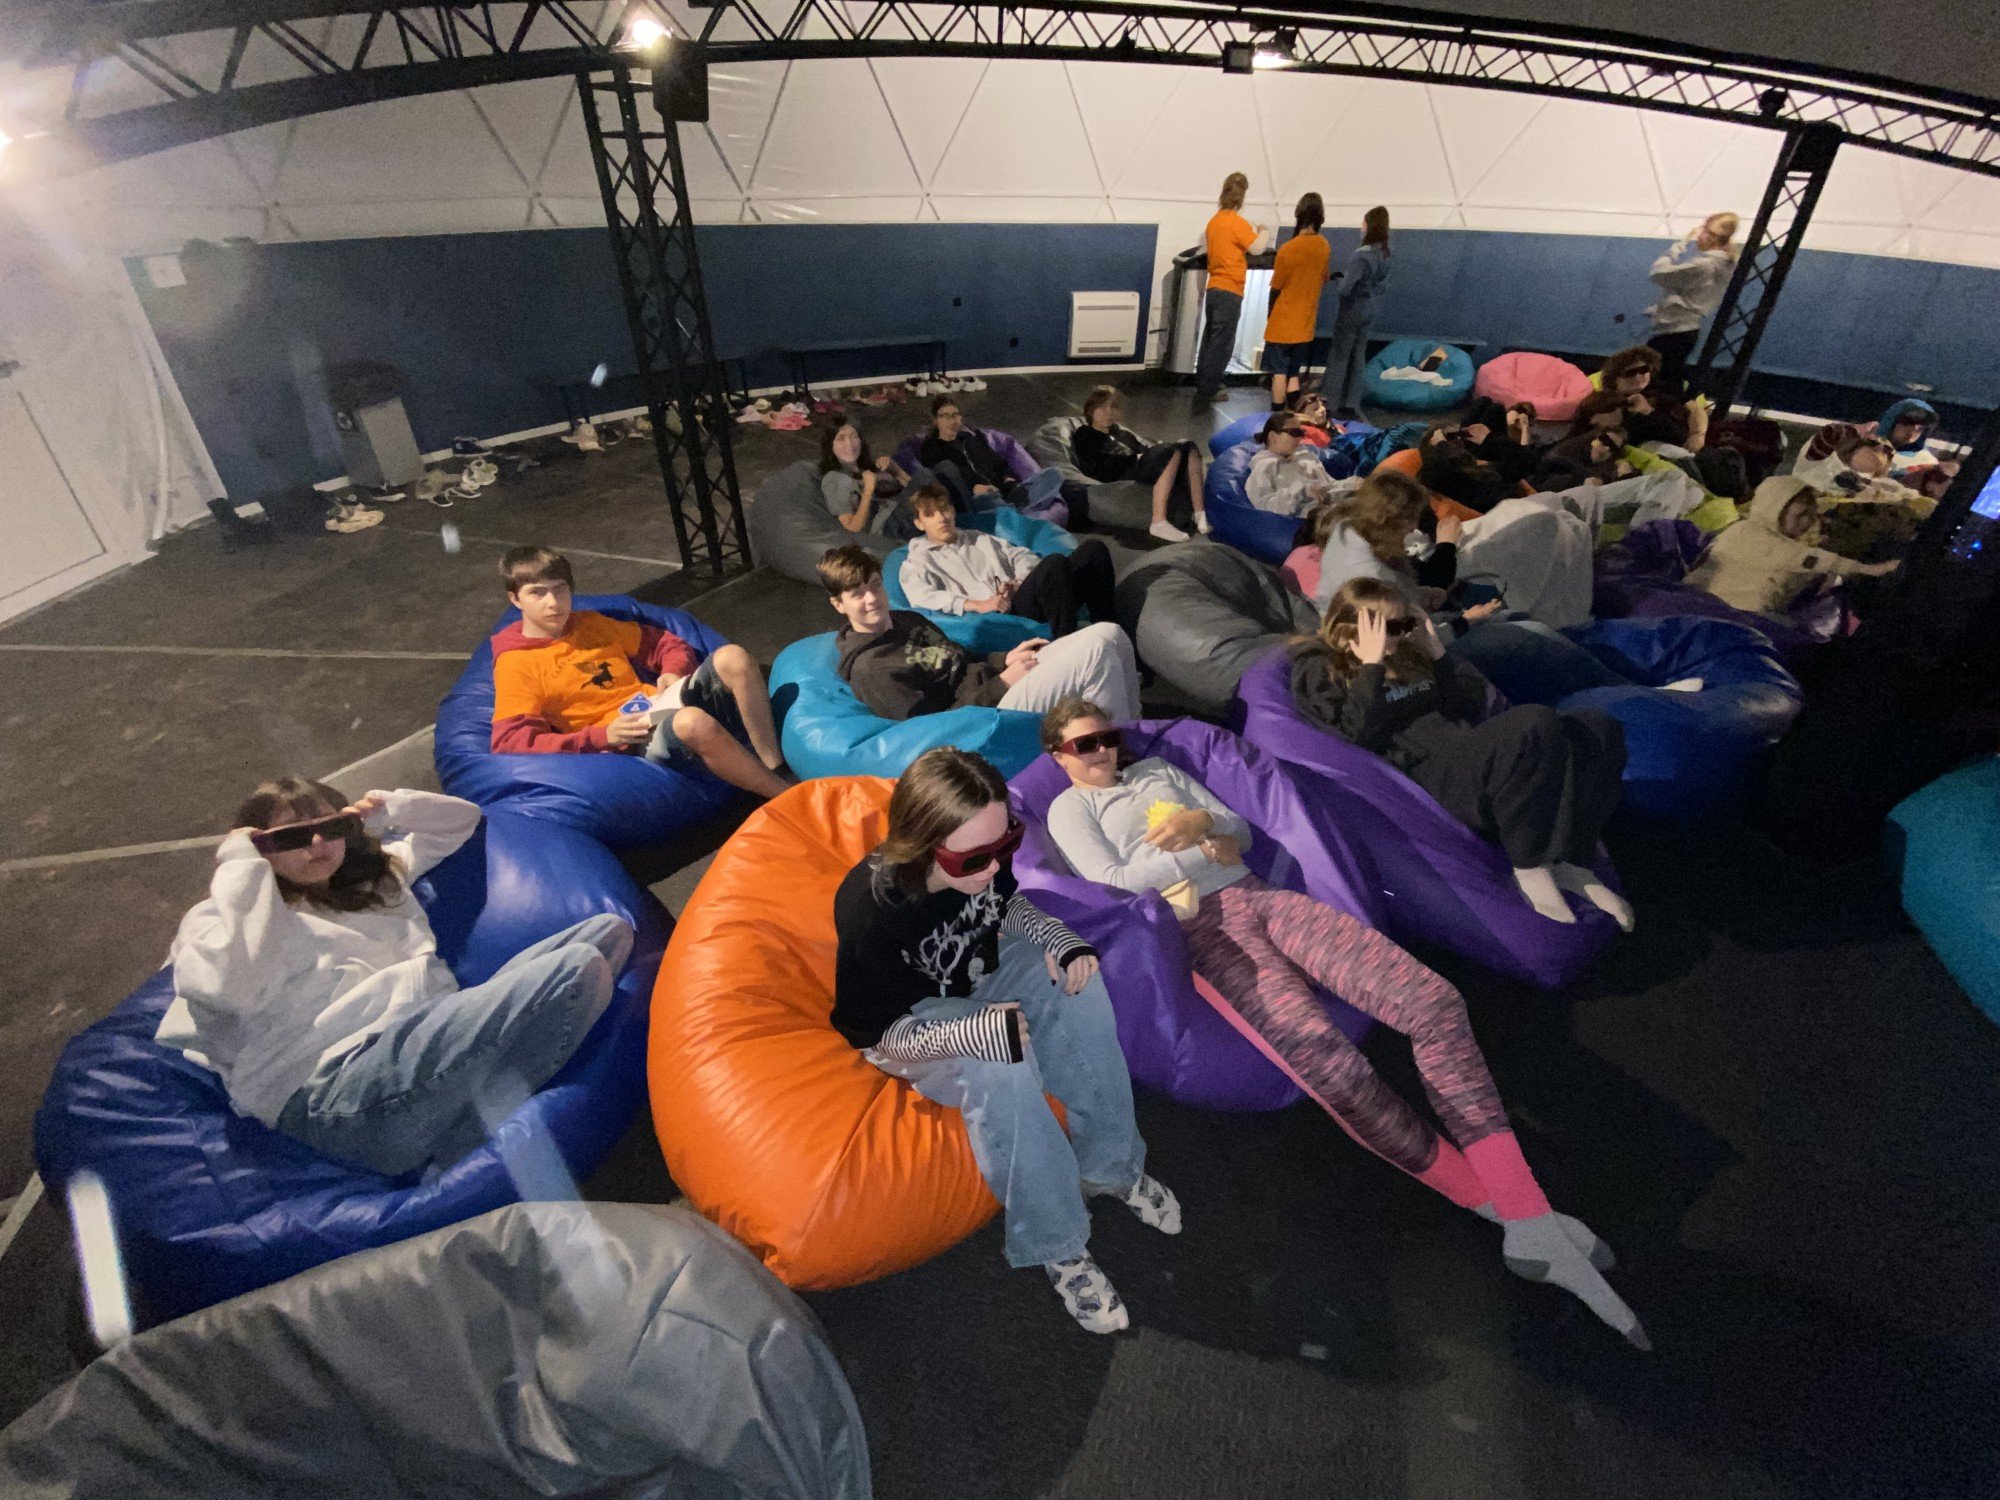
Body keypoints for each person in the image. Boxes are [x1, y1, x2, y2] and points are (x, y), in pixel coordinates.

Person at [1038, 700, 1647, 1347]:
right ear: (1058, 756)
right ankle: (1511, 1214)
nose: (1101, 752)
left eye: (1106, 737)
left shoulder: (1157, 770)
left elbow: (1239, 832)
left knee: (1436, 1004)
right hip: (1203, 937)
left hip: (1263, 898)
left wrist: (1206, 823)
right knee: (1335, 1072)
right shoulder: (1070, 810)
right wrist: (1197, 844)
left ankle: (1525, 1215)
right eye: (1083, 745)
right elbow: (1115, 882)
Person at [833, 746, 1179, 1332]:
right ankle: (1056, 1243)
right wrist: (969, 1031)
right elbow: (879, 1040)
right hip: (915, 1019)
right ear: (922, 845)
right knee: (999, 1060)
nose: (994, 866)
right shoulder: (872, 909)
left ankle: (1112, 1167)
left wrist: (1054, 935)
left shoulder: (984, 855)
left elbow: (1005, 904)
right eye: (974, 859)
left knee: (1080, 985)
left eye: (1006, 845)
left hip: (979, 972)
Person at [162, 779, 633, 1176]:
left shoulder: (375, 884)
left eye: (332, 827)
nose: (318, 845)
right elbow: (227, 991)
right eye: (292, 837)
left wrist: (388, 810)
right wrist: (242, 867)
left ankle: (464, 1117)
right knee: (576, 971)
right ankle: (456, 1147)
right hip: (333, 1093)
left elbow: (461, 822)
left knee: (609, 933)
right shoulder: (221, 921)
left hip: (418, 1042)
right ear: (259, 848)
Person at [1291, 578, 1632, 929]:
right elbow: (1354, 738)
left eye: (1405, 624)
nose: (1401, 635)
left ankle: (1570, 860)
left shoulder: (1407, 654)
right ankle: (1530, 867)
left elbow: (1470, 706)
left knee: (1598, 728)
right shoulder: (1322, 668)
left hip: (1467, 752)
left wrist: (1437, 653)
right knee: (1533, 722)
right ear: (1353, 628)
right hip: (1429, 775)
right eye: (1392, 627)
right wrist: (1371, 667)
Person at [489, 546, 789, 800]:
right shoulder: (516, 663)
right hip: (625, 742)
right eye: (537, 593)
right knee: (692, 721)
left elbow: (663, 643)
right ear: (515, 599)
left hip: (657, 706)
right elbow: (510, 742)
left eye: (560, 590)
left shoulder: (590, 624)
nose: (553, 603)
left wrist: (672, 671)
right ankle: (784, 795)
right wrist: (602, 736)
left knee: (734, 657)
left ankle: (776, 766)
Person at [817, 545, 1142, 723]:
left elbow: (959, 655)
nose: (871, 599)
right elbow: (931, 730)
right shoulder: (871, 669)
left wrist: (1004, 659)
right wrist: (1003, 684)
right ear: (838, 604)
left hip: (997, 682)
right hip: (986, 715)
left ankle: (1135, 731)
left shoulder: (905, 619)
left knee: (1110, 632)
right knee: (1096, 650)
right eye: (857, 594)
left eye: (875, 585)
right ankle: (1115, 750)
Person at [898, 483, 1116, 639]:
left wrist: (1018, 582)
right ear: (919, 524)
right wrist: (978, 604)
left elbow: (1019, 555)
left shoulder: (978, 538)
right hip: (1002, 616)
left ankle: (1109, 630)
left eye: (944, 509)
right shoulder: (918, 560)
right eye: (930, 514)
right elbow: (922, 596)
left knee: (1093, 550)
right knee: (1054, 564)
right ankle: (1067, 645)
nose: (941, 518)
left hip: (1020, 596)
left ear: (953, 512)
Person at [1686, 476, 1899, 616]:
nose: (1808, 522)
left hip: (1715, 612)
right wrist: (1870, 569)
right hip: (1727, 617)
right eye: (1800, 515)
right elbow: (1803, 558)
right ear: (1773, 509)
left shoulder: (1753, 530)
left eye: (1811, 514)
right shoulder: (1750, 534)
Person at [1070, 384, 1211, 542]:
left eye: (1113, 408)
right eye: (1102, 408)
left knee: (1188, 446)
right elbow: (1096, 465)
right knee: (1173, 451)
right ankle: (1158, 522)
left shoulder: (1121, 433)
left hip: (1141, 466)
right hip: (1122, 474)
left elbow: (1144, 448)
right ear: (1091, 409)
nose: (1108, 413)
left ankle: (1199, 513)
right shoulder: (1085, 433)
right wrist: (1137, 458)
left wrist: (1152, 453)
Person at [917, 396, 1066, 516]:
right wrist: (974, 487)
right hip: (976, 498)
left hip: (1003, 490)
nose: (952, 420)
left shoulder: (974, 439)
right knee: (992, 501)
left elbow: (999, 463)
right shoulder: (932, 447)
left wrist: (1008, 478)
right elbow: (945, 476)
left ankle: (1013, 509)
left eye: (955, 415)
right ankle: (1016, 511)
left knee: (1054, 474)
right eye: (945, 416)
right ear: (936, 421)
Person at [1195, 172, 1269, 401]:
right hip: (1230, 290)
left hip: (1214, 287)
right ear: (1241, 197)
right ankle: (1210, 389)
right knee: (1222, 344)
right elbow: (1257, 248)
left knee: (1210, 340)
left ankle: (1203, 384)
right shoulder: (1237, 223)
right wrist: (1264, 230)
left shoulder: (1214, 222)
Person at [1645, 213, 1739, 389]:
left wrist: (1679, 246)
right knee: (1667, 382)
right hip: (1684, 332)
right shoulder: (1725, 263)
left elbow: (1658, 273)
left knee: (1658, 383)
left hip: (1673, 333)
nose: (1698, 235)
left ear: (1711, 236)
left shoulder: (1704, 265)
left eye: (1703, 230)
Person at [1262, 192, 1332, 411]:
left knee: (1279, 372)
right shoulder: (1324, 246)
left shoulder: (1288, 249)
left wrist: (1270, 315)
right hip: (1306, 323)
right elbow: (1324, 277)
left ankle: (1276, 416)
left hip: (1283, 322)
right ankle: (1296, 414)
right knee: (1294, 372)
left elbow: (1276, 287)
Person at [1324, 206, 1392, 419]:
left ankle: (1330, 402)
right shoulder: (1385, 254)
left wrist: (1339, 280)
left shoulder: (1361, 255)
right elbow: (1382, 285)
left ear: (1369, 226)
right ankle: (1351, 402)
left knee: (1340, 355)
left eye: (1363, 223)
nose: (1361, 227)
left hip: (1352, 309)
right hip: (1370, 308)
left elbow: (1345, 289)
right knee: (1359, 355)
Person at [818, 420, 914, 538]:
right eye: (841, 439)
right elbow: (852, 529)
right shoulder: (834, 479)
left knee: (928, 478)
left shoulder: (868, 469)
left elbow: (913, 488)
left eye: (854, 437)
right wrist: (868, 489)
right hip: (889, 526)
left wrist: (895, 470)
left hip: (908, 510)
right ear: (830, 446)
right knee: (926, 478)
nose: (849, 443)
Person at [1246, 412, 1337, 516]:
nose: (1299, 438)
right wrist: (1301, 493)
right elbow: (1264, 505)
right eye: (1294, 432)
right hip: (1312, 518)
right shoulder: (1264, 466)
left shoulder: (1306, 457)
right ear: (1272, 436)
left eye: (1301, 432)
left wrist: (1347, 486)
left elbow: (1330, 485)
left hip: (1334, 509)